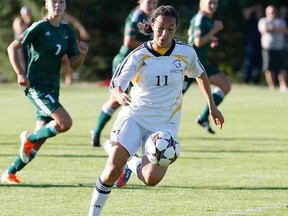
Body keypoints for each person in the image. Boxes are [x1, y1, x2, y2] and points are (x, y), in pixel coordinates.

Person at [88, 5, 224, 215]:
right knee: (111, 171)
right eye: (160, 27)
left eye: (171, 28)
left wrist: (212, 107)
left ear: (175, 29)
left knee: (151, 179)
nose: (165, 33)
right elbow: (115, 85)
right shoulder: (138, 55)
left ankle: (131, 163)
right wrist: (119, 95)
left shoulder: (185, 53)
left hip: (165, 124)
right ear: (152, 25)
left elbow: (201, 74)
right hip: (135, 117)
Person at [1, 0, 89, 184]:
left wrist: (81, 55)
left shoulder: (67, 31)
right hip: (36, 87)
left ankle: (9, 172)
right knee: (65, 122)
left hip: (53, 88)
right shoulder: (39, 27)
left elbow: (73, 63)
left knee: (39, 141)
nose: (58, 5)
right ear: (47, 4)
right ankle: (27, 137)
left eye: (62, 2)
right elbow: (12, 47)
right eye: (54, 1)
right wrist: (20, 73)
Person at [90, 0, 158, 147]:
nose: (152, 4)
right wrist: (153, 47)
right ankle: (104, 135)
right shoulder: (136, 16)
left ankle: (107, 135)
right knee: (121, 100)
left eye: (155, 2)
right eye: (149, 1)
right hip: (126, 64)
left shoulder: (155, 17)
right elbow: (128, 42)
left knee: (130, 101)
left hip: (142, 65)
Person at [183, 0, 231, 134]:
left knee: (225, 86)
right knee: (173, 99)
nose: (212, 5)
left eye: (215, 3)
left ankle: (203, 117)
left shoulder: (207, 19)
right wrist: (214, 30)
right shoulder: (200, 18)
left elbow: (191, 34)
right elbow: (197, 42)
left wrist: (210, 39)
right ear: (201, 2)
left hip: (201, 64)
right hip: (190, 66)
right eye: (209, 2)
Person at [258, 5, 287, 92]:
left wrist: (271, 28)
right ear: (266, 13)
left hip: (279, 47)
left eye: (273, 11)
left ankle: (283, 85)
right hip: (268, 48)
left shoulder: (281, 20)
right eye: (269, 12)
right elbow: (264, 30)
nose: (271, 13)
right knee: (269, 68)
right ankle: (271, 86)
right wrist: (276, 28)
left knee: (283, 67)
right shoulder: (263, 21)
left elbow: (285, 30)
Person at [61, 12, 90, 85]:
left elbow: (75, 22)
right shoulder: (47, 18)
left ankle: (68, 78)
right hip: (54, 43)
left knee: (67, 58)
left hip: (65, 42)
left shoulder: (65, 16)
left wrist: (82, 30)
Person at [242, 3, 263, 84]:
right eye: (258, 11)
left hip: (261, 45)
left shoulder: (263, 21)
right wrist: (255, 7)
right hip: (250, 45)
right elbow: (245, 13)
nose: (259, 13)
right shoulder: (251, 20)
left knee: (258, 64)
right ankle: (246, 80)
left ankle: (256, 81)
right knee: (248, 63)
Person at [12, 6, 34, 72]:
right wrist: (27, 23)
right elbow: (20, 30)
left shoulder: (30, 21)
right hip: (19, 46)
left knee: (29, 62)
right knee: (23, 63)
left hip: (28, 45)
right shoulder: (18, 20)